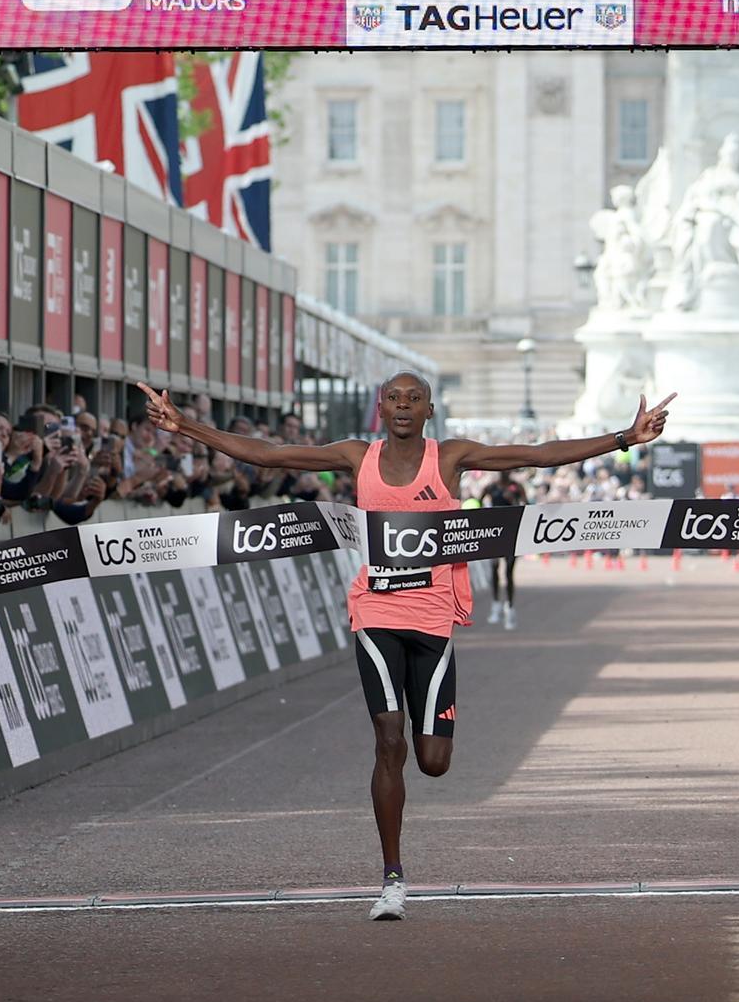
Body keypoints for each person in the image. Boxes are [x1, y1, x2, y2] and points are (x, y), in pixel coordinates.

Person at [139, 374, 674, 923]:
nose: (402, 406)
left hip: (434, 616)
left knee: (433, 762)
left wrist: (624, 438)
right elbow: (271, 455)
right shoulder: (356, 455)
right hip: (375, 611)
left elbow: (535, 454)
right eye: (394, 398)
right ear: (381, 407)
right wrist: (185, 426)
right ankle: (392, 878)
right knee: (387, 739)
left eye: (413, 399)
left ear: (429, 409)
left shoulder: (450, 459)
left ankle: (413, 792)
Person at [482, 473, 529, 629]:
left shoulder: (516, 487)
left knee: (509, 571)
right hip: (495, 533)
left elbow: (527, 506)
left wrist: (514, 501)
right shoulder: (491, 487)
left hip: (511, 534)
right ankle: (495, 604)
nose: (504, 471)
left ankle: (510, 607)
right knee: (494, 568)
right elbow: (478, 502)